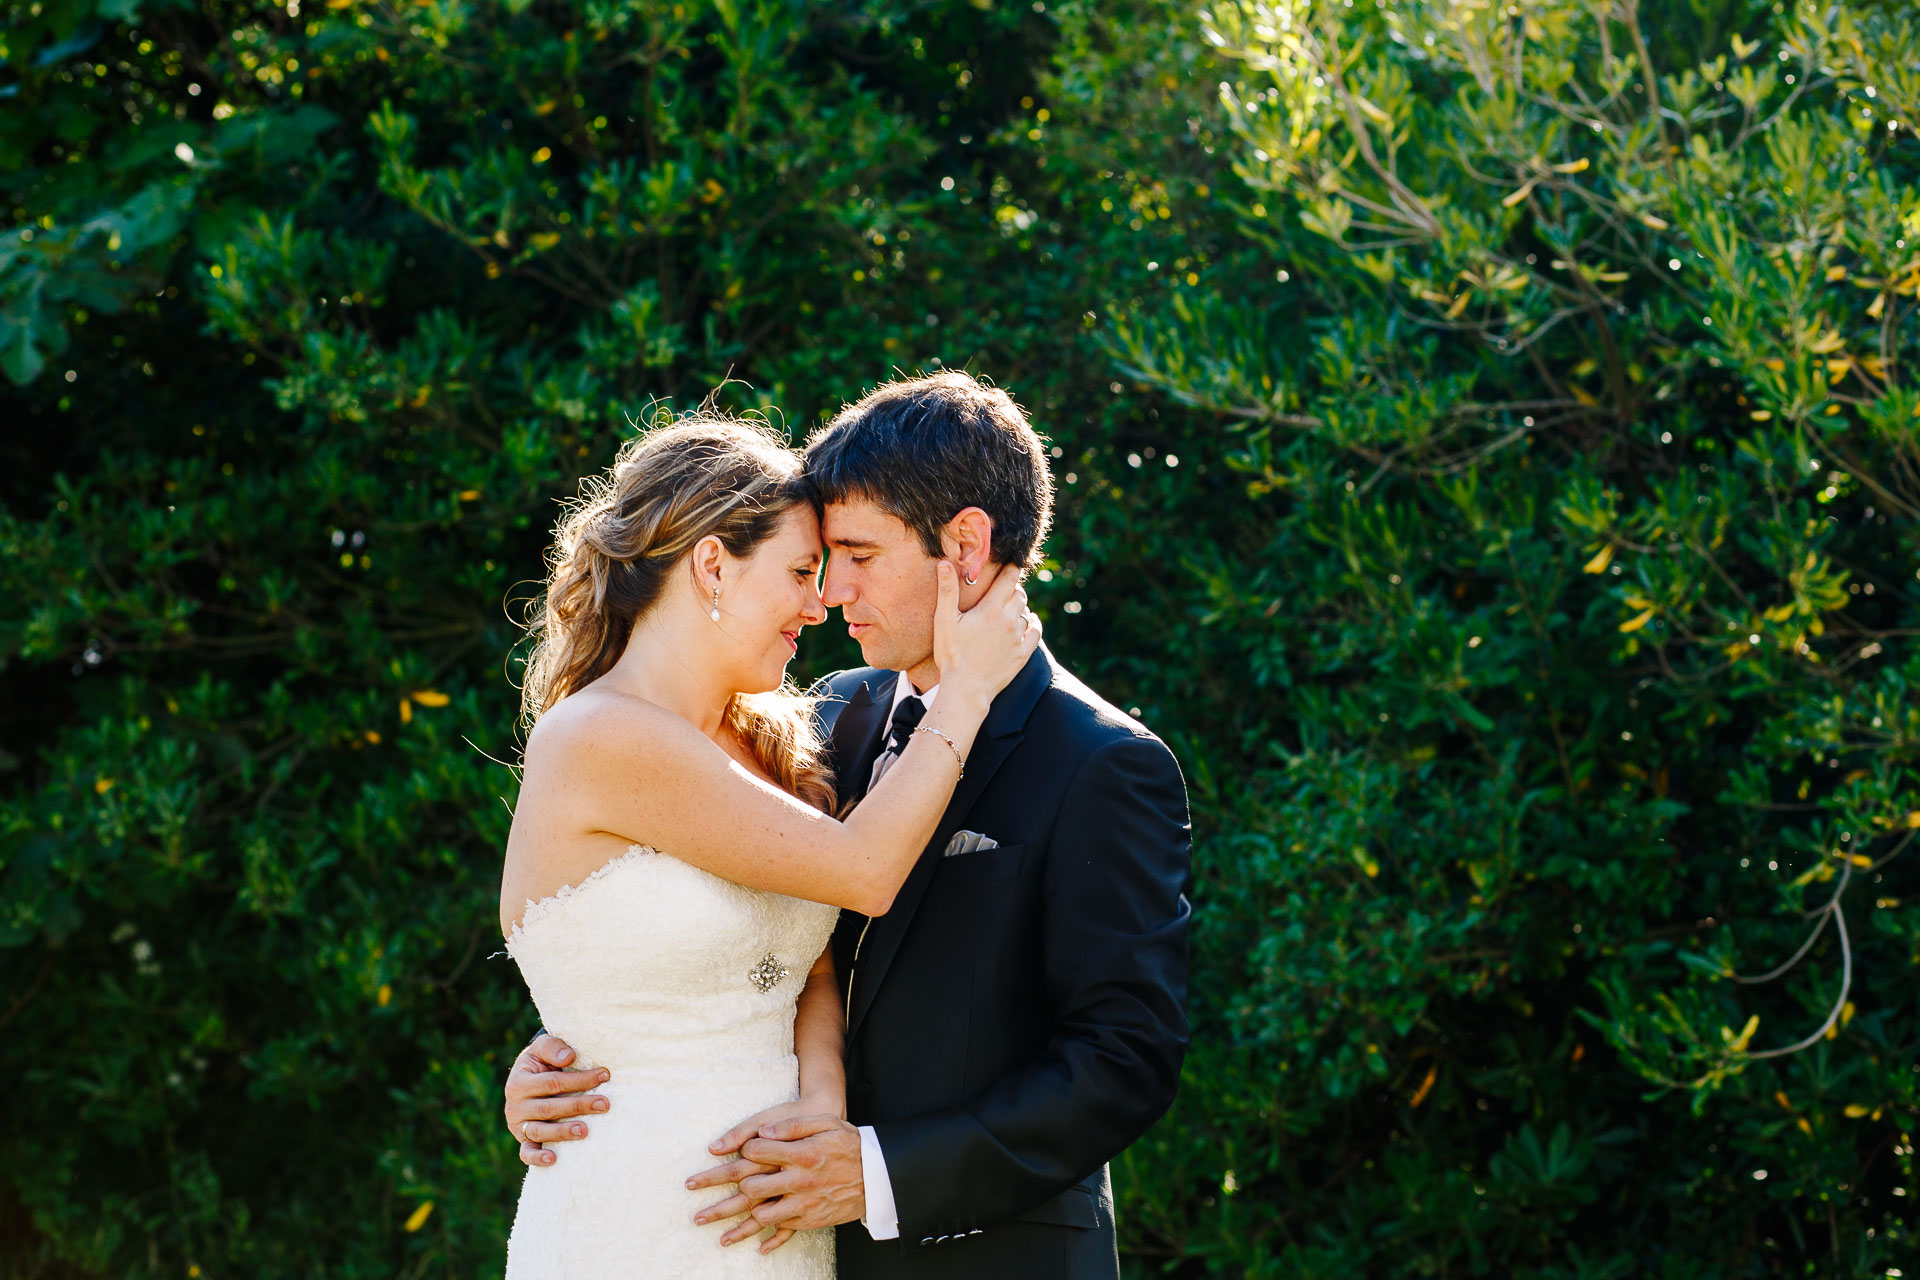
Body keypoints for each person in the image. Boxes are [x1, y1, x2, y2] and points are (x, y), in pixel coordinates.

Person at [506, 373, 1192, 1280]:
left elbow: (1123, 1061)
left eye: (858, 554)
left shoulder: (1101, 762)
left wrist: (872, 1173)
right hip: (732, 1224)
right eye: (814, 563)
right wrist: (591, 1044)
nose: (831, 593)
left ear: (968, 546)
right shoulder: (825, 718)